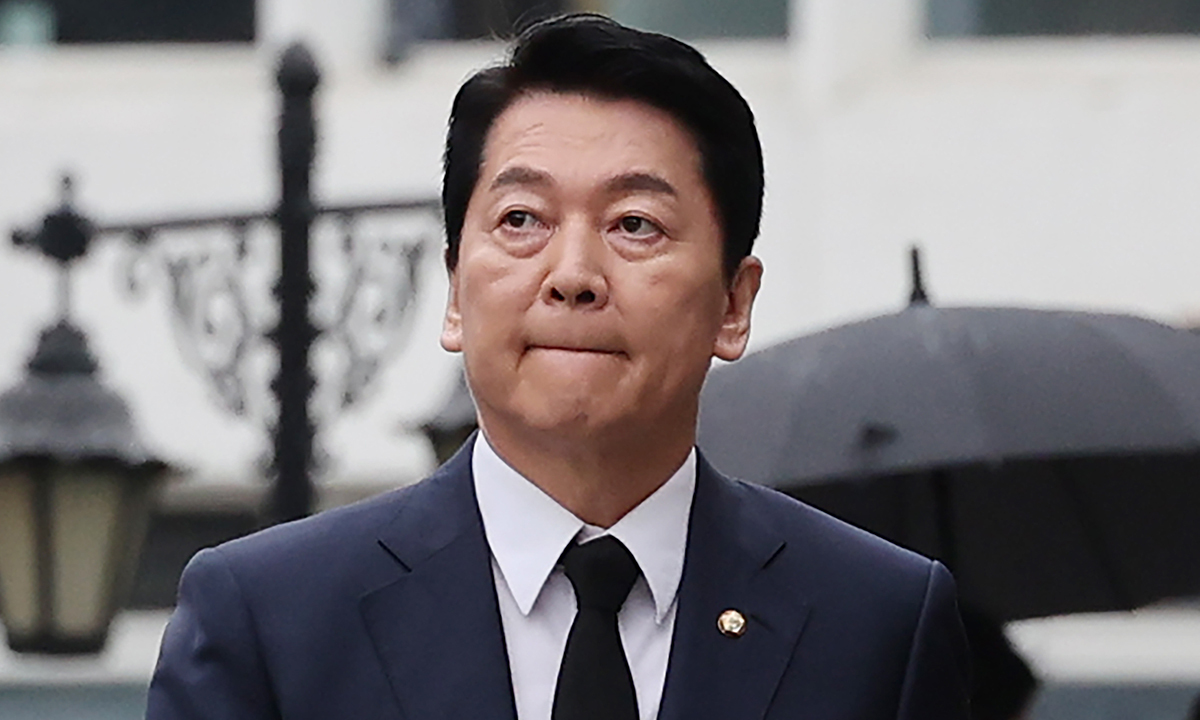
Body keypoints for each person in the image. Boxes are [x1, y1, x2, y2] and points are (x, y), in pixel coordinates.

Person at [146, 14, 970, 720]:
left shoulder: (875, 623)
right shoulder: (270, 619)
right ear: (454, 292)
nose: (573, 274)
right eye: (522, 219)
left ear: (733, 303)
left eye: (635, 224)